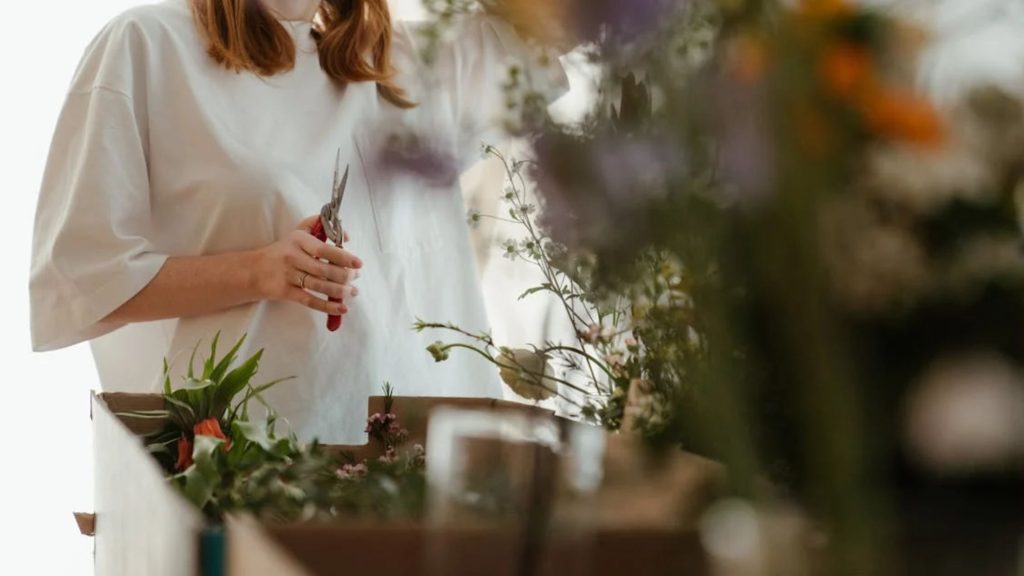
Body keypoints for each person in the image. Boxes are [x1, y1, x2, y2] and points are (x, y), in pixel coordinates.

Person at [29, 0, 567, 443]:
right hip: (248, 459)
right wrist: (258, 272)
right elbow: (81, 281)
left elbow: (573, 20)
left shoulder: (408, 64)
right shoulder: (146, 46)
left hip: (423, 465)